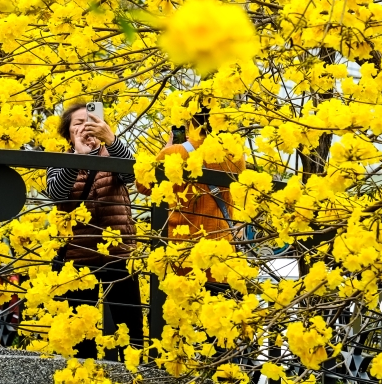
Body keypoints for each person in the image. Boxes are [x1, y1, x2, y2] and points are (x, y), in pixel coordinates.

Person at [45, 102, 143, 359]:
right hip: (78, 259)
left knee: (130, 328)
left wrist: (111, 139)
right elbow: (57, 193)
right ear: (68, 134)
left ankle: (132, 373)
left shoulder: (113, 156)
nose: (85, 127)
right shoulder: (59, 161)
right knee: (80, 334)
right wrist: (77, 158)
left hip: (119, 254)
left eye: (91, 122)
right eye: (78, 123)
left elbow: (134, 175)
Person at [136, 106, 246, 286]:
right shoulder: (236, 154)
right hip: (221, 249)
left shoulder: (177, 152)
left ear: (191, 119)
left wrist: (166, 150)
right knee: (218, 299)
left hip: (182, 251)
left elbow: (143, 186)